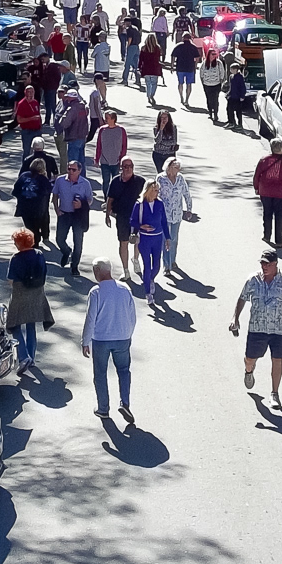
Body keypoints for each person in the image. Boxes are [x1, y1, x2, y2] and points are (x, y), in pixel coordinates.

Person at [230, 249, 282, 411]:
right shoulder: (253, 280)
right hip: (257, 328)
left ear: (275, 264)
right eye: (262, 263)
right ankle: (249, 370)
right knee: (249, 359)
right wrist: (235, 318)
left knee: (277, 360)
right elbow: (242, 298)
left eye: (267, 264)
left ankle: (274, 393)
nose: (264, 266)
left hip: (279, 329)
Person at [82, 259, 138, 425]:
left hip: (101, 339)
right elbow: (132, 315)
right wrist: (128, 334)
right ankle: (125, 403)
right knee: (124, 371)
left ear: (97, 270)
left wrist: (85, 341)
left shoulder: (96, 292)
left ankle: (103, 408)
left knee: (100, 373)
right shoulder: (124, 289)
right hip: (122, 338)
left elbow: (90, 318)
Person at [7, 228, 52, 373]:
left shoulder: (15, 258)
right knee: (31, 325)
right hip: (36, 294)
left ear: (19, 243)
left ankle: (23, 357)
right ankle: (31, 358)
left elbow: (11, 280)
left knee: (14, 325)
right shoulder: (39, 254)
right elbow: (44, 272)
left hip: (20, 295)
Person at [104, 157, 147, 282]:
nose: (128, 169)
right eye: (125, 166)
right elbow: (110, 199)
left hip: (138, 216)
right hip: (122, 217)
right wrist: (107, 215)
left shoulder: (140, 181)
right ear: (121, 167)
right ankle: (126, 270)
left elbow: (148, 198)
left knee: (138, 240)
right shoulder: (115, 181)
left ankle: (135, 259)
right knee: (123, 242)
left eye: (130, 166)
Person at [52, 161, 95, 274]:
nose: (70, 171)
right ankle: (66, 252)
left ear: (79, 171)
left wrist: (81, 204)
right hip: (64, 214)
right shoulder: (60, 180)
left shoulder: (85, 183)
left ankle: (75, 266)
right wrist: (56, 209)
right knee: (59, 239)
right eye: (69, 169)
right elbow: (55, 195)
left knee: (78, 243)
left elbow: (90, 199)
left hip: (78, 216)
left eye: (73, 170)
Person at [130, 181, 169, 304]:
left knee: (156, 265)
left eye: (157, 190)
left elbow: (164, 222)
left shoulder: (160, 204)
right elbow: (132, 221)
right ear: (147, 190)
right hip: (145, 239)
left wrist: (168, 238)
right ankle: (148, 293)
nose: (157, 193)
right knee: (147, 265)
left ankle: (151, 279)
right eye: (154, 190)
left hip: (158, 239)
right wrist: (141, 226)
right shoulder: (140, 204)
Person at [253, 138, 282, 247]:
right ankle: (279, 241)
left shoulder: (264, 160)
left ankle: (266, 236)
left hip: (265, 191)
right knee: (279, 216)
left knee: (267, 214)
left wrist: (256, 188)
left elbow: (257, 175)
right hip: (281, 193)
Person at [156, 158, 193, 275]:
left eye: (179, 168)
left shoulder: (180, 178)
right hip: (164, 215)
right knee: (166, 239)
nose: (178, 170)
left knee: (174, 239)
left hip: (177, 214)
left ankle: (173, 260)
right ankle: (166, 265)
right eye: (176, 167)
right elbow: (156, 194)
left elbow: (186, 193)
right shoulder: (161, 178)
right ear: (169, 167)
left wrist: (189, 209)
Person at [12, 159, 53, 250]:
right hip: (37, 209)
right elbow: (47, 192)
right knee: (35, 227)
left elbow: (15, 191)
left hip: (24, 207)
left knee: (29, 227)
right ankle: (35, 245)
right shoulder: (43, 179)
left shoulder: (24, 175)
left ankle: (33, 244)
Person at [94, 110, 129, 195]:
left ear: (113, 119)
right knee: (105, 182)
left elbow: (124, 146)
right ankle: (106, 199)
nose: (105, 119)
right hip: (104, 161)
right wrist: (96, 159)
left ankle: (115, 198)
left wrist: (122, 160)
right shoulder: (102, 130)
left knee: (116, 181)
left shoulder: (121, 130)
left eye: (107, 118)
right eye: (105, 117)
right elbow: (99, 145)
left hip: (116, 161)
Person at [57, 91, 91, 171]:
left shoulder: (72, 109)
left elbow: (64, 123)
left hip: (73, 137)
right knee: (81, 161)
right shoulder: (83, 107)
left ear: (72, 98)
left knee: (73, 162)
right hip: (82, 137)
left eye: (68, 97)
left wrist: (62, 117)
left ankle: (74, 177)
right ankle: (82, 177)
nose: (67, 99)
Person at [171, 31, 202, 109]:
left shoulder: (178, 46)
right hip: (190, 68)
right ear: (190, 38)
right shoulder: (193, 47)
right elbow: (197, 58)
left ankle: (181, 97)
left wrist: (172, 66)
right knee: (189, 84)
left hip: (180, 68)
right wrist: (195, 66)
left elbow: (173, 56)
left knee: (180, 83)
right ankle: (187, 100)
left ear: (183, 38)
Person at [198, 49, 226, 122]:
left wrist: (221, 81)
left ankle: (215, 114)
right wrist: (203, 82)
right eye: (212, 54)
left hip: (216, 84)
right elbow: (201, 73)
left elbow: (222, 72)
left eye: (215, 54)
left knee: (215, 99)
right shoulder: (204, 63)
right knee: (209, 99)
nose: (214, 56)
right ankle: (210, 112)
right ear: (209, 55)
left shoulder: (219, 63)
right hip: (207, 84)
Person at [138, 35, 164, 105]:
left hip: (146, 68)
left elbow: (141, 59)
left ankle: (148, 96)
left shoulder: (143, 48)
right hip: (155, 68)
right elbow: (158, 58)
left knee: (148, 83)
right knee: (154, 83)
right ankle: (152, 95)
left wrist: (139, 67)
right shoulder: (157, 48)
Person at [152, 109, 179, 174]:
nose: (164, 119)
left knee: (169, 173)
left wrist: (163, 143)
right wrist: (161, 129)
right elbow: (158, 141)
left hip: (169, 154)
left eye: (165, 117)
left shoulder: (173, 127)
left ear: (168, 118)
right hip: (158, 154)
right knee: (161, 174)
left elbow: (174, 142)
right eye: (162, 118)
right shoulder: (156, 128)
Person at [226, 63, 249, 129]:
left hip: (237, 97)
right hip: (231, 96)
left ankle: (240, 124)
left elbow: (242, 87)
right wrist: (228, 94)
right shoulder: (231, 76)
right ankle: (231, 122)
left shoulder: (240, 77)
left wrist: (242, 96)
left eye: (232, 69)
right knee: (229, 109)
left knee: (238, 111)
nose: (231, 70)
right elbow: (230, 87)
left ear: (236, 69)